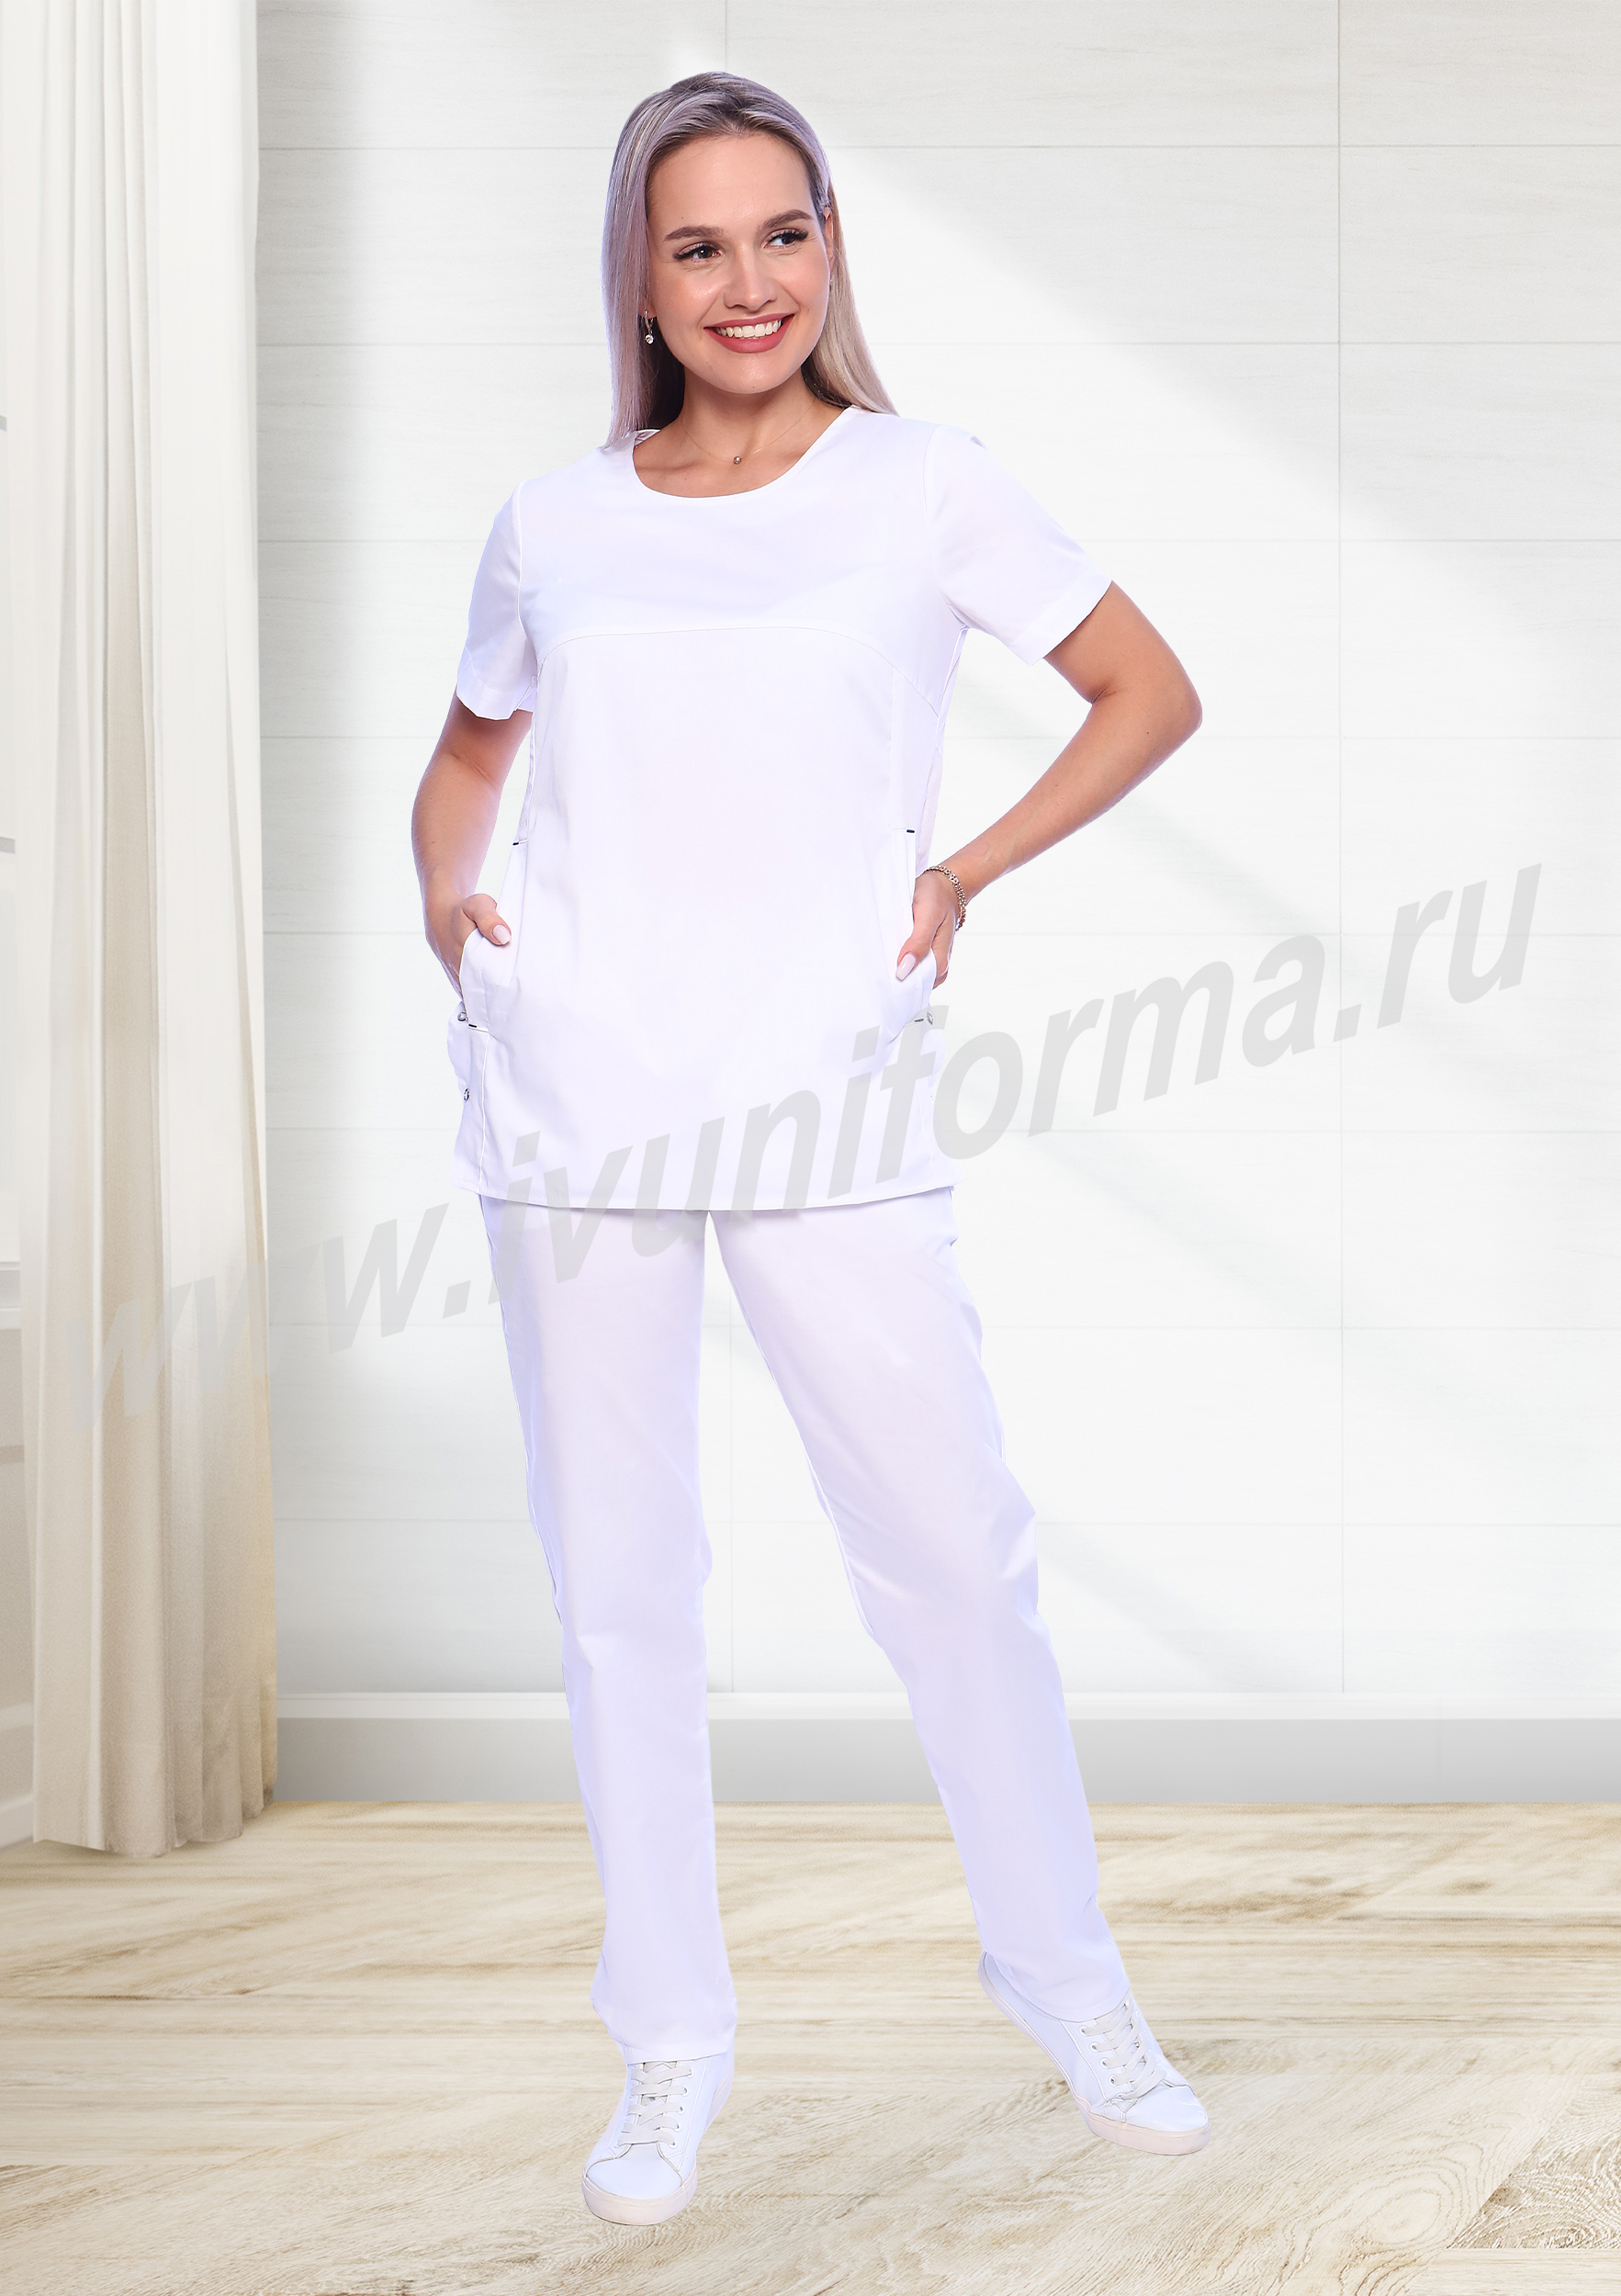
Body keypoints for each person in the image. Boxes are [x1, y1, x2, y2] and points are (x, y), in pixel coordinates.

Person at [411, 72, 1208, 2229]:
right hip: (577, 1098)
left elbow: (1146, 691)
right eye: (699, 245)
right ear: (640, 280)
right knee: (620, 1592)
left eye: (782, 233)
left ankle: (1068, 1976)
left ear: (829, 246)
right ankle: (668, 2037)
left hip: (826, 1092)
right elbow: (466, 759)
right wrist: (457, 925)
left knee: (952, 1556)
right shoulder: (555, 522)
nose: (747, 282)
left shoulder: (923, 485)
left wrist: (962, 872)